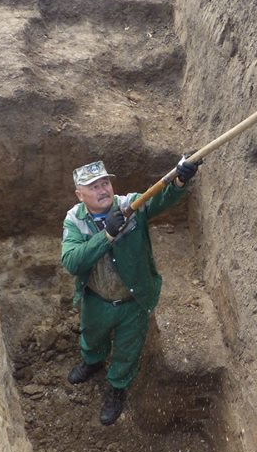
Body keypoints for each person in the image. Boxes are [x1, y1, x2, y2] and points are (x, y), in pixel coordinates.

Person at [61, 158, 198, 425]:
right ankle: (93, 361)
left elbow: (161, 199)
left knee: (128, 348)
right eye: (93, 187)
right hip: (97, 299)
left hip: (132, 299)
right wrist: (106, 236)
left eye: (105, 183)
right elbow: (72, 262)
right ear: (80, 195)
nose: (102, 190)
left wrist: (180, 180)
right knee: (92, 335)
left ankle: (117, 387)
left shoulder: (131, 205)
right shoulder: (75, 220)